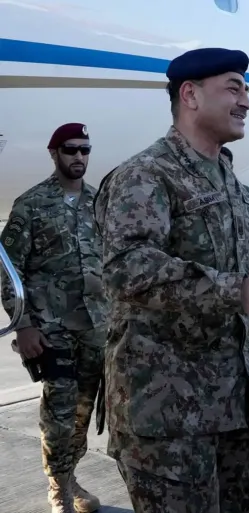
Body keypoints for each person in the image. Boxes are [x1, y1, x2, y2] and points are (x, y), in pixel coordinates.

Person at [93, 47, 249, 513]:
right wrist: (239, 291)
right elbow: (126, 267)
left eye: (246, 89)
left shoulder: (238, 191)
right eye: (234, 87)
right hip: (166, 415)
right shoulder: (145, 175)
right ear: (190, 94)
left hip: (236, 405)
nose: (247, 101)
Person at [0, 123, 107, 513]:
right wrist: (23, 325)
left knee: (82, 415)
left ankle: (70, 476)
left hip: (96, 328)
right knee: (59, 414)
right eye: (70, 149)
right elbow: (8, 270)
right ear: (54, 153)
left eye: (84, 149)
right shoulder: (31, 205)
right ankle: (58, 491)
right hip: (50, 329)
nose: (78, 157)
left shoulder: (99, 203)